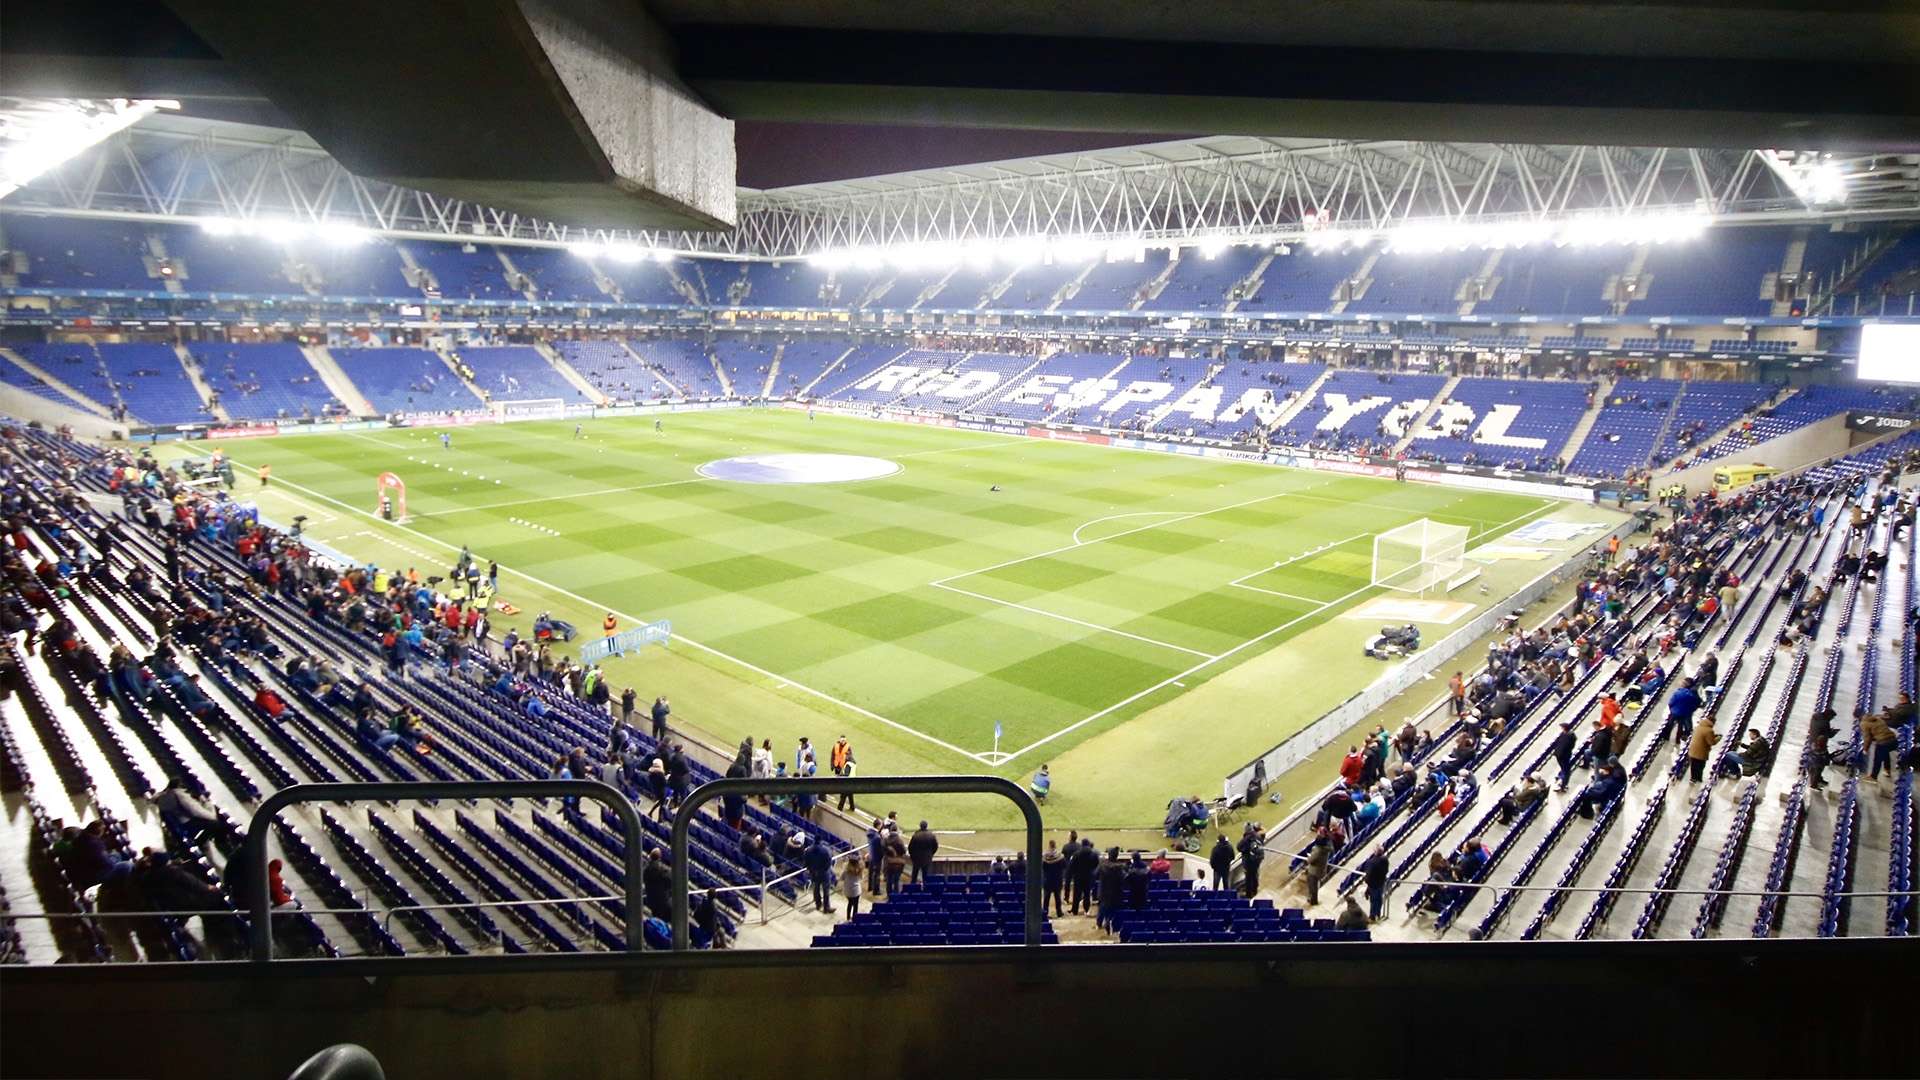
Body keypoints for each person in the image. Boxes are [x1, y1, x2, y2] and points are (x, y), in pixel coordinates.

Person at [1665, 678, 1703, 745]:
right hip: (1685, 713)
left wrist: (1672, 709)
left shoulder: (1678, 692)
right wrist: (1691, 710)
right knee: (1680, 726)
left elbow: (1671, 702)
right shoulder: (1693, 695)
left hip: (1674, 712)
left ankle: (1666, 737)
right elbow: (1697, 703)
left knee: (1670, 725)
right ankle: (1677, 740)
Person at [1095, 848, 1126, 932]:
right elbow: (1123, 879)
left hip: (1103, 891)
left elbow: (1095, 875)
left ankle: (1099, 924)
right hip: (1115, 892)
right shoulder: (1120, 868)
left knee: (1102, 908)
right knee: (1112, 909)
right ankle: (1108, 922)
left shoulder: (1102, 865)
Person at [1360, 845, 1391, 922]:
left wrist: (1367, 882)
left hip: (1373, 884)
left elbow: (1368, 874)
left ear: (1375, 852)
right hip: (1381, 882)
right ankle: (1378, 914)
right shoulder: (1385, 859)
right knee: (1379, 899)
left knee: (1373, 900)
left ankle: (1372, 916)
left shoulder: (1372, 862)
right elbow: (1386, 871)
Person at [1687, 713, 1719, 783]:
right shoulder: (1709, 730)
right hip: (1701, 752)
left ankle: (1693, 779)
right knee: (1700, 766)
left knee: (1693, 765)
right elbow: (1711, 742)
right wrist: (1718, 738)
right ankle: (1698, 779)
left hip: (1692, 750)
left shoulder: (1698, 726)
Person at [1302, 828, 1331, 906]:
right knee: (1315, 885)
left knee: (1313, 887)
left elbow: (1310, 860)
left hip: (1314, 871)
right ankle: (1313, 898)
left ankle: (1313, 901)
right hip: (1322, 869)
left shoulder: (1318, 850)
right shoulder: (1327, 847)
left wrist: (1308, 859)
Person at [1237, 823, 1266, 899]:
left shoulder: (1246, 838)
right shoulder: (1258, 836)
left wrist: (1244, 850)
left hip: (1249, 861)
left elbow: (1239, 847)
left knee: (1248, 878)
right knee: (1255, 875)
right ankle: (1255, 891)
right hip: (1257, 860)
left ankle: (1249, 894)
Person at [1549, 721, 1578, 791]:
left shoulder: (1568, 736)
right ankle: (1563, 783)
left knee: (1566, 771)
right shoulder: (1568, 734)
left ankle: (1563, 786)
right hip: (1563, 755)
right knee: (1565, 770)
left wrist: (1558, 754)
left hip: (1563, 756)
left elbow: (1563, 747)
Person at [1041, 839, 1067, 916]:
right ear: (1055, 846)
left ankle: (1045, 913)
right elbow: (1064, 866)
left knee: (1046, 897)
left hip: (1047, 879)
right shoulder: (1060, 856)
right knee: (1057, 897)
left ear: (1049, 846)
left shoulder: (1044, 857)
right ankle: (1059, 912)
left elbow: (1043, 868)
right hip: (1057, 879)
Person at [908, 820, 938, 884]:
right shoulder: (931, 835)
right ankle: (925, 890)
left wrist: (912, 856)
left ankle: (913, 890)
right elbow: (935, 847)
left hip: (917, 858)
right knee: (926, 876)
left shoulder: (916, 835)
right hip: (927, 858)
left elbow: (910, 848)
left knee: (914, 876)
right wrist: (931, 854)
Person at [839, 854, 865, 919]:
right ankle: (854, 918)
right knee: (855, 905)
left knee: (850, 903)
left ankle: (848, 917)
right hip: (856, 891)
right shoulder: (859, 870)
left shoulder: (846, 871)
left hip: (847, 891)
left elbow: (841, 878)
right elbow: (861, 878)